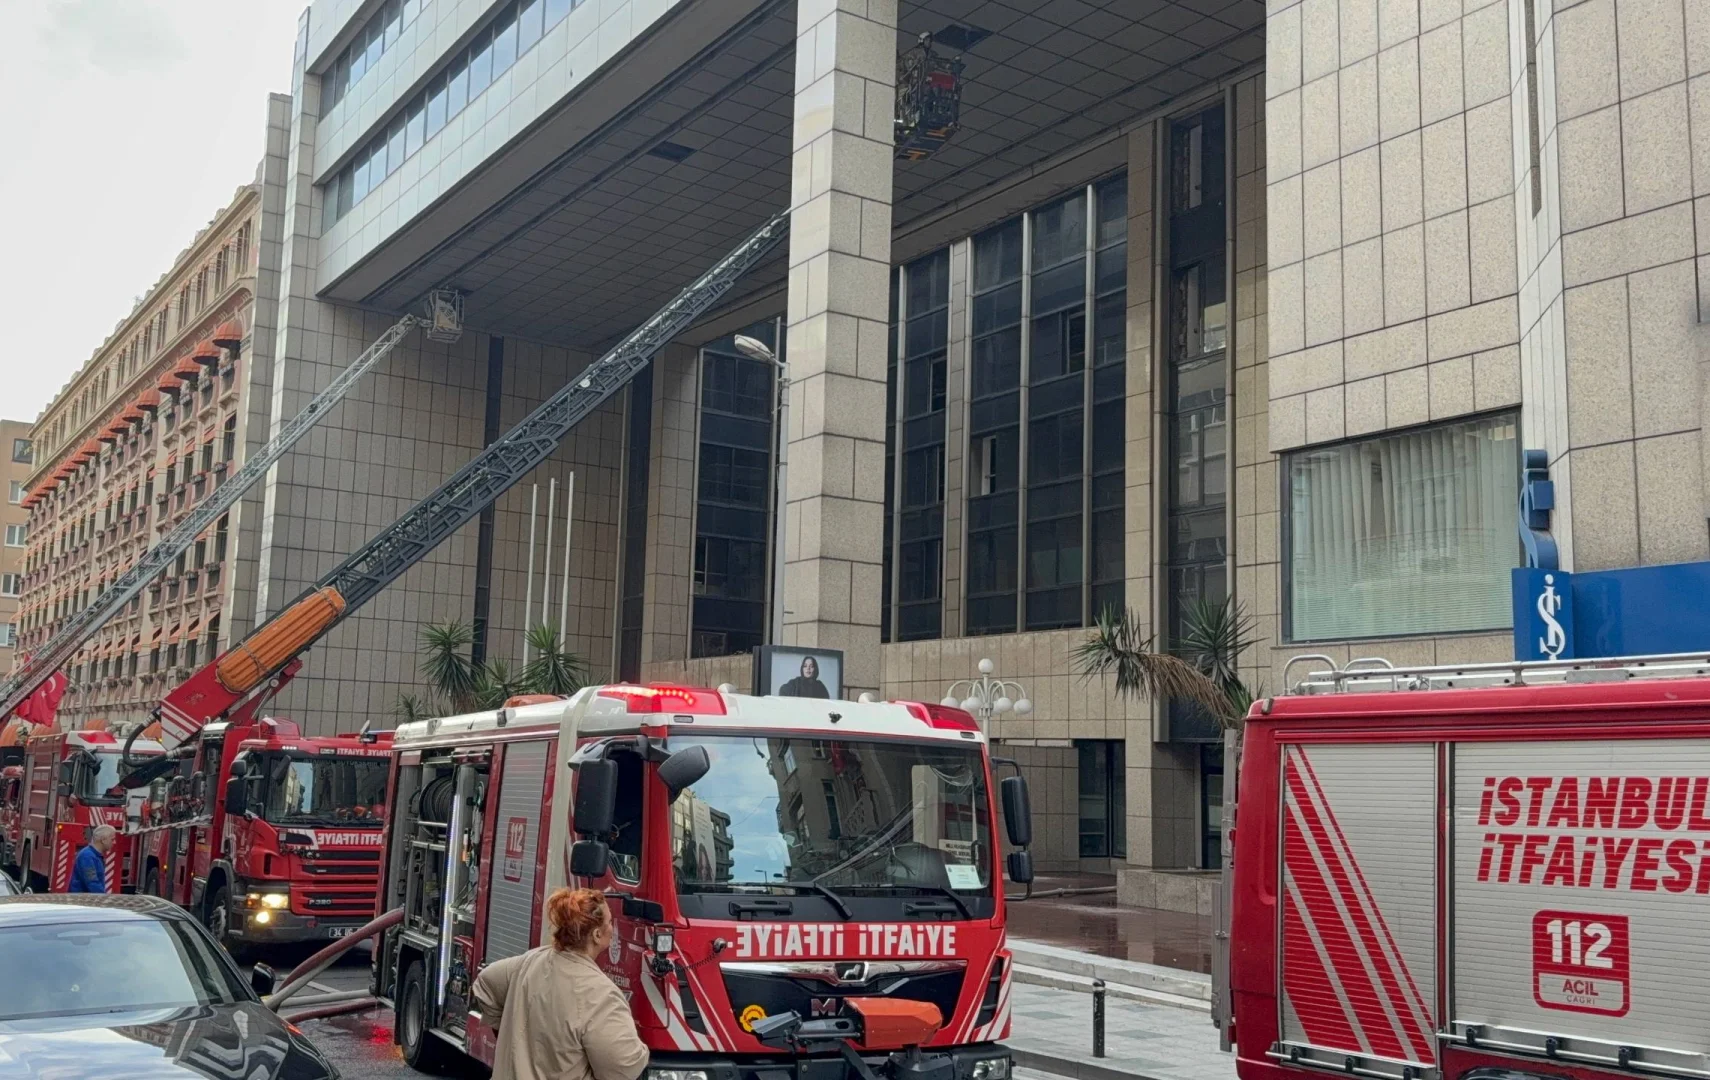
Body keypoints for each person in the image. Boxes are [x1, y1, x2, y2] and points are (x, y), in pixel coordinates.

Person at [473, 887, 649, 1080]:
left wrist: (507, 1034)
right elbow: (624, 1067)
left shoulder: (529, 962)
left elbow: (485, 983)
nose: (612, 928)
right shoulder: (601, 995)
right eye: (609, 922)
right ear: (597, 935)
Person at [69, 824, 115, 893]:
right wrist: (104, 900)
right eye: (112, 839)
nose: (114, 842)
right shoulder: (87, 856)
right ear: (103, 840)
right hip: (82, 901)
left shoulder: (94, 856)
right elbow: (92, 883)